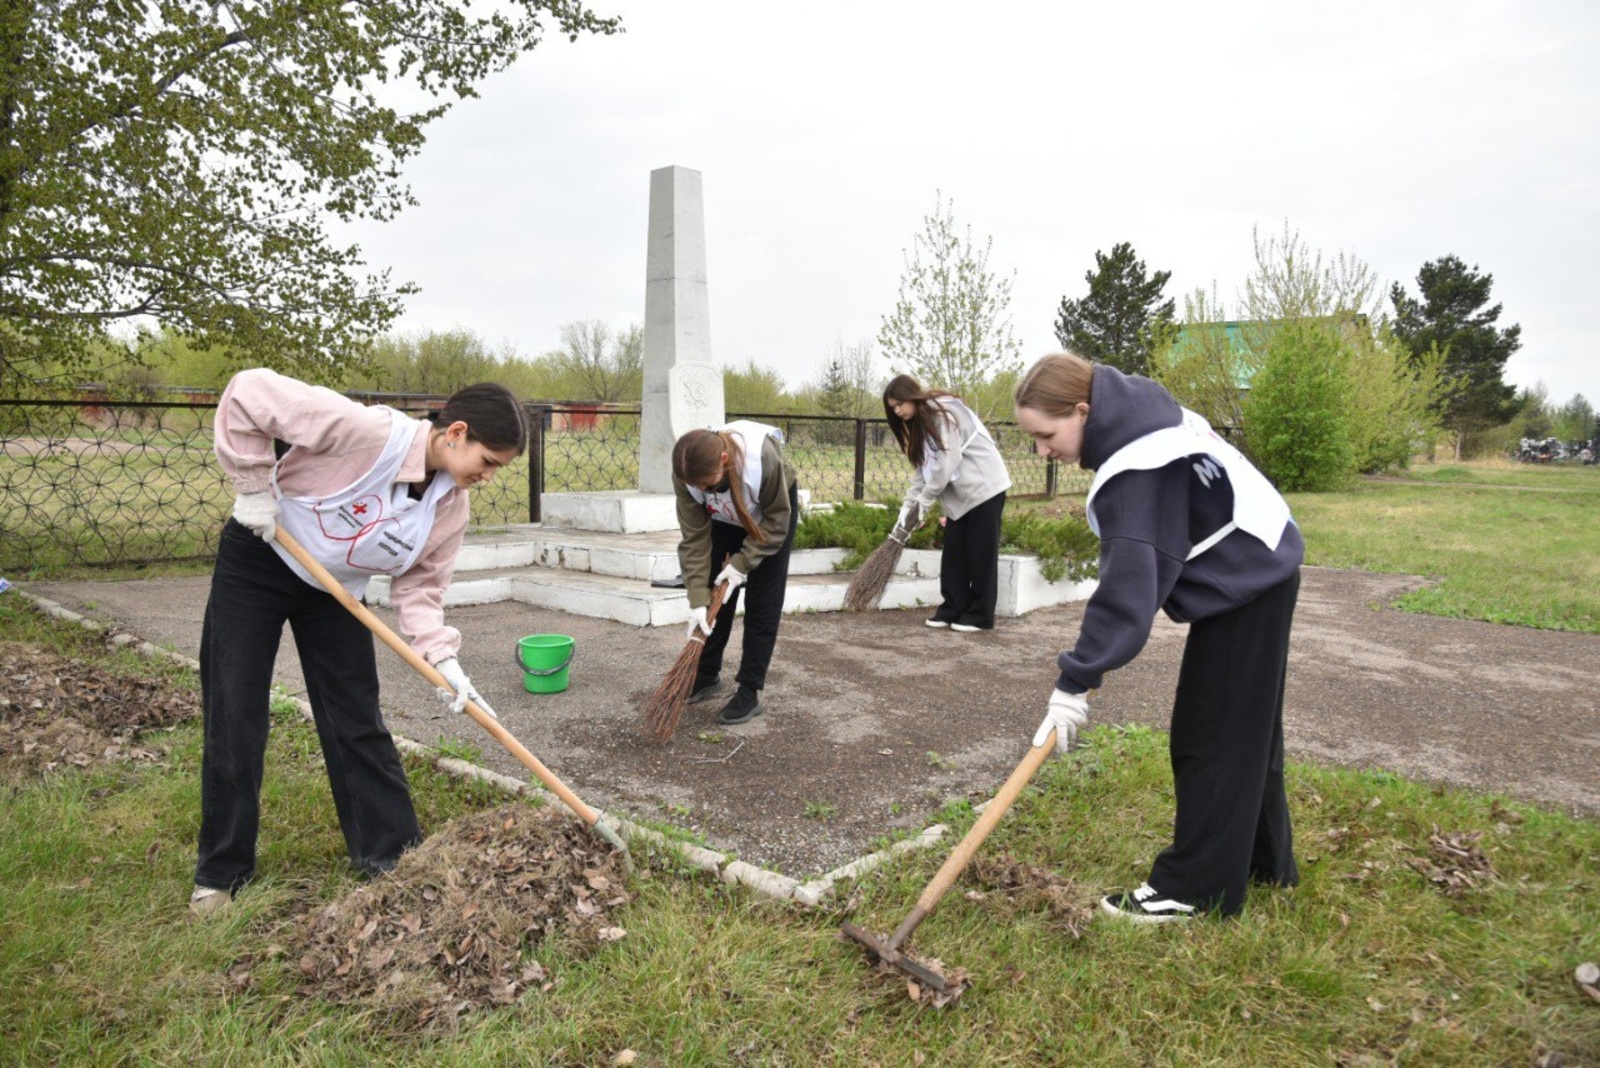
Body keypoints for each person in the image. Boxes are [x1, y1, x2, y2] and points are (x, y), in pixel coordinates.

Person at [191, 368, 527, 917]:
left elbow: (420, 586)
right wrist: (253, 489)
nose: (489, 475)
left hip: (335, 593)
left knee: (357, 719)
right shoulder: (366, 430)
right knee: (236, 713)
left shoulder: (450, 506)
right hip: (260, 557)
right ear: (456, 432)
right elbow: (248, 392)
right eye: (488, 461)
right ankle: (221, 874)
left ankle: (391, 860)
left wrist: (443, 657)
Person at [1014, 352, 1304, 923]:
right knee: (1248, 732)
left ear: (1082, 410)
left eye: (1047, 435)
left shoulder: (1136, 470)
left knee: (1210, 738)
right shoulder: (1147, 412)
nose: (1042, 451)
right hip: (1264, 566)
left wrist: (1075, 682)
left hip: (1246, 584)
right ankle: (1266, 863)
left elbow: (1127, 593)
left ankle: (1196, 889)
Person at [672, 420, 800, 725]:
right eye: (698, 487)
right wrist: (698, 599)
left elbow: (777, 521)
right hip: (725, 519)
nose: (701, 491)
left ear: (725, 460)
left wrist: (742, 564)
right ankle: (706, 673)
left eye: (707, 484)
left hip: (769, 519)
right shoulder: (686, 471)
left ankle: (749, 689)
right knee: (717, 591)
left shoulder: (762, 460)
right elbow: (694, 539)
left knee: (762, 602)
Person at [883, 375, 1012, 631]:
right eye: (893, 408)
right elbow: (923, 472)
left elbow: (949, 460)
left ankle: (980, 616)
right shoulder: (921, 425)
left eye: (900, 404)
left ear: (912, 395)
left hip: (985, 487)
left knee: (980, 554)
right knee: (954, 556)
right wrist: (907, 508)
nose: (898, 411)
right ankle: (952, 609)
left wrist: (926, 500)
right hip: (960, 497)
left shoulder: (943, 413)